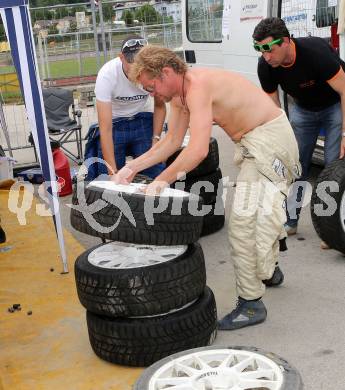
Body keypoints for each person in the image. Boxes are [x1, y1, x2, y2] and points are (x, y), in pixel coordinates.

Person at [114, 45, 301, 330]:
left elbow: (199, 150)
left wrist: (162, 180)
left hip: (272, 141)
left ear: (166, 72)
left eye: (152, 87)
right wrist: (131, 168)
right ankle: (269, 268)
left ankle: (251, 303)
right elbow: (172, 142)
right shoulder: (178, 94)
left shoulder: (198, 87)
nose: (153, 95)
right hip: (252, 142)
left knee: (243, 223)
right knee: (258, 215)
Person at [252, 17, 345, 236]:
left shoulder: (316, 52)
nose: (266, 57)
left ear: (285, 42)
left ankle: (330, 230)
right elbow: (272, 107)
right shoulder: (266, 66)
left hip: (334, 107)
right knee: (295, 165)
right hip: (302, 110)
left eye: (269, 50)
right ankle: (290, 220)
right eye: (260, 51)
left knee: (332, 167)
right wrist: (277, 140)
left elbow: (344, 90)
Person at [88, 35, 166, 180]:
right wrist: (112, 173)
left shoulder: (156, 72)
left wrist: (156, 139)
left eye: (142, 63)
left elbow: (160, 106)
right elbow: (105, 128)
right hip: (115, 123)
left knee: (156, 169)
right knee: (106, 175)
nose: (137, 68)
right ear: (121, 57)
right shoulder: (107, 75)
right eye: (132, 61)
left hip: (141, 118)